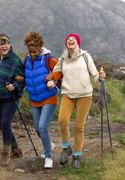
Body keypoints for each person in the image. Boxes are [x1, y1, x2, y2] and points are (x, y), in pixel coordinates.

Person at [46, 33, 106, 168]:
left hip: (84, 95)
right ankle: (67, 148)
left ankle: (77, 155)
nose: (70, 40)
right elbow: (56, 73)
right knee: (62, 121)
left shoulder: (85, 56)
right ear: (66, 44)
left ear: (77, 43)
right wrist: (53, 81)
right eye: (68, 39)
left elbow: (95, 75)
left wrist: (101, 77)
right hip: (67, 94)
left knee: (79, 127)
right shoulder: (62, 59)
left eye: (73, 39)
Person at [0, 33, 25, 166]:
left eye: (6, 43)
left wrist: (14, 86)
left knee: (6, 123)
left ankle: (6, 153)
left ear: (10, 44)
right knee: (0, 125)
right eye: (1, 44)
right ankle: (16, 148)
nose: (4, 46)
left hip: (10, 97)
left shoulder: (15, 60)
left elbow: (22, 79)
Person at [23, 32, 58, 169]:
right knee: (38, 128)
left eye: (34, 49)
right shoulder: (26, 60)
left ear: (40, 46)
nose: (32, 53)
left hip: (49, 97)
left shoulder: (48, 58)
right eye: (30, 50)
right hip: (34, 100)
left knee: (43, 126)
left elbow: (60, 71)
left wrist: (53, 78)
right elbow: (21, 72)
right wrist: (19, 79)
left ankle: (48, 155)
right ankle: (49, 143)